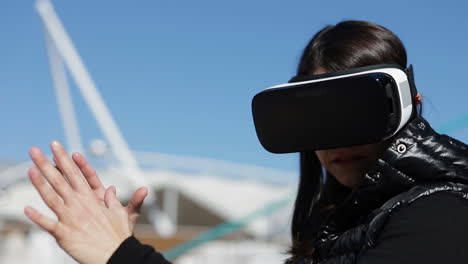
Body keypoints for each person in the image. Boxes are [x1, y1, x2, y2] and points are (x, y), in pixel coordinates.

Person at [25, 20, 468, 264]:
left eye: (356, 111)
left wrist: (122, 259)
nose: (336, 138)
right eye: (316, 117)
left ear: (407, 105)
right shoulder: (339, 223)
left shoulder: (441, 214)